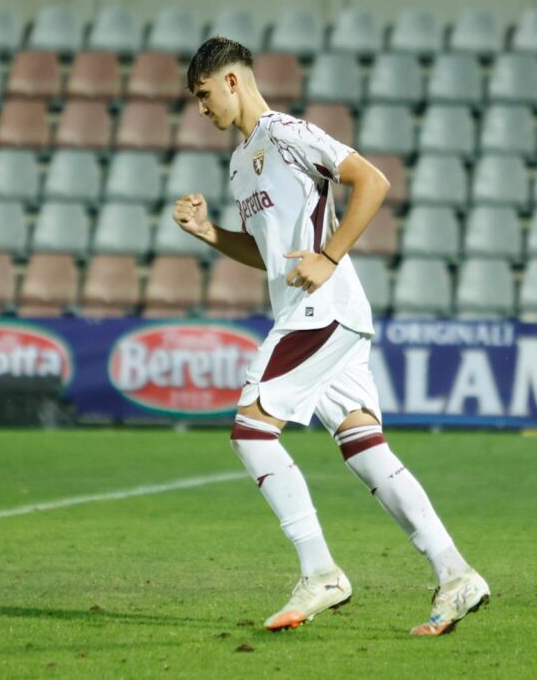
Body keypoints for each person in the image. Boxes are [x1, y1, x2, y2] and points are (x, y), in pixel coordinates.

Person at [173, 37, 488, 636]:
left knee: (250, 432)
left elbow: (372, 181)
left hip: (321, 310)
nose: (201, 109)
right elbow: (267, 253)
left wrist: (328, 255)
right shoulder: (243, 161)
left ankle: (320, 571)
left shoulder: (289, 134)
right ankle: (456, 574)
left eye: (204, 94)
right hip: (315, 311)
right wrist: (208, 232)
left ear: (233, 82)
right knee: (365, 448)